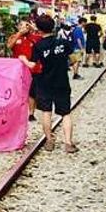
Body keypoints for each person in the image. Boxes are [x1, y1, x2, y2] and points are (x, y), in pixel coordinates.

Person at [32, 14, 77, 153]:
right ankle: (68, 143)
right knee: (65, 113)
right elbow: (74, 59)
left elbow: (34, 64)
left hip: (44, 82)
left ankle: (49, 141)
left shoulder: (38, 46)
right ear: (53, 26)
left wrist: (23, 60)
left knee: (46, 112)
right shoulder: (62, 42)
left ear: (39, 29)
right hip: (62, 81)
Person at [11, 17, 43, 119]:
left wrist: (34, 28)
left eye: (26, 25)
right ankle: (18, 112)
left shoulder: (35, 37)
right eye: (21, 25)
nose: (24, 27)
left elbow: (44, 37)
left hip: (33, 69)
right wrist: (19, 34)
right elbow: (9, 46)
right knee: (18, 91)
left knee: (32, 92)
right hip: (18, 69)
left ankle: (31, 113)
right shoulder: (14, 37)